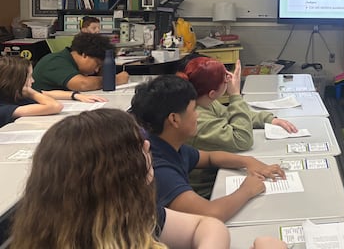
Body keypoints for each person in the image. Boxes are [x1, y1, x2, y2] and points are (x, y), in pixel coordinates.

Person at [10, 108, 231, 249]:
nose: (147, 146)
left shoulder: (129, 215)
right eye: (137, 145)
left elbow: (208, 226)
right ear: (115, 173)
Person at [129, 74, 286, 222]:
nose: (197, 116)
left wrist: (247, 161)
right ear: (174, 119)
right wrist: (247, 190)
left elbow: (210, 157)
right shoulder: (158, 167)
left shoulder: (167, 143)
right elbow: (211, 213)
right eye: (193, 110)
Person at [179, 56, 298, 198]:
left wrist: (268, 119)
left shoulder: (205, 101)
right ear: (212, 93)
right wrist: (235, 95)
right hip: (207, 186)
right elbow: (242, 139)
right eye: (225, 80)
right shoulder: (198, 118)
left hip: (219, 172)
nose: (229, 82)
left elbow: (232, 116)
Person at [32, 32, 129, 92]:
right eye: (97, 64)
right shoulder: (55, 61)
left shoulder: (72, 62)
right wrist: (114, 80)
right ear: (84, 55)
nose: (96, 70)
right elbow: (83, 84)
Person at [0, 56, 64, 127]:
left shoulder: (17, 94)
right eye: (29, 77)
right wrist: (31, 93)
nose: (33, 81)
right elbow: (55, 106)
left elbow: (49, 93)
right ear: (16, 80)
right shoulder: (3, 108)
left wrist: (74, 95)